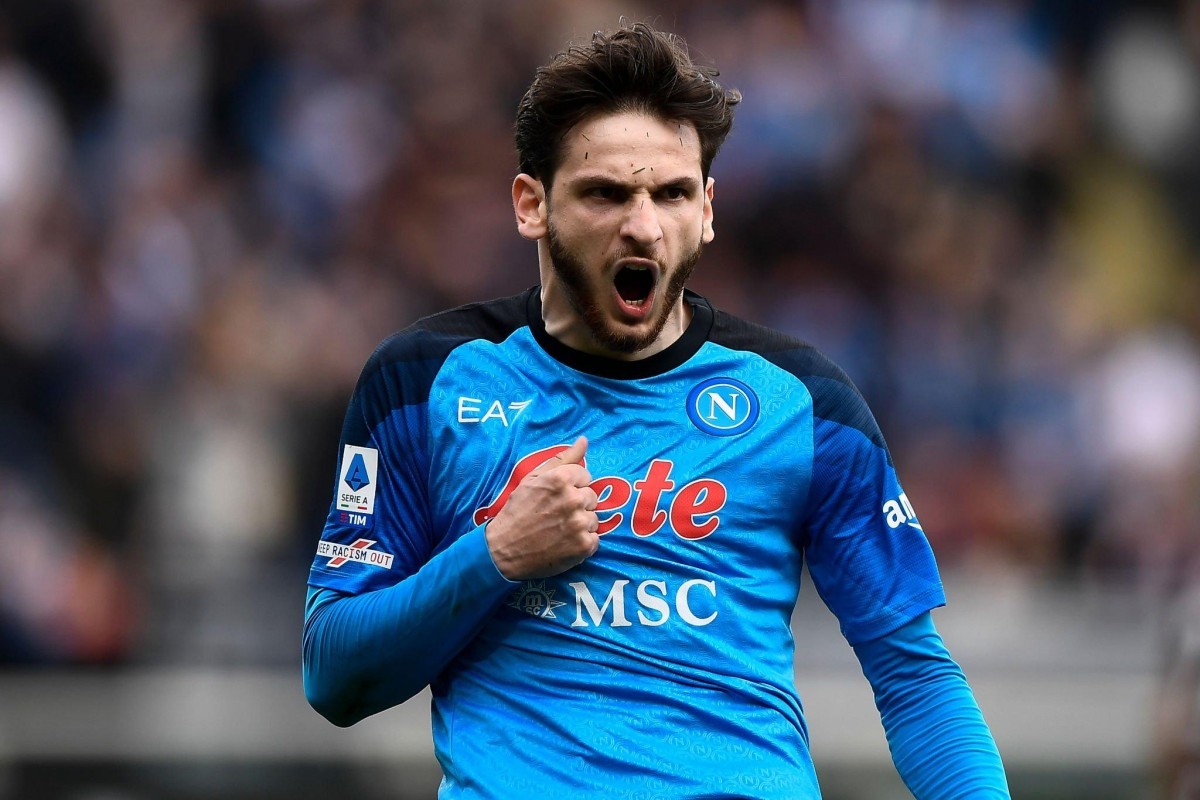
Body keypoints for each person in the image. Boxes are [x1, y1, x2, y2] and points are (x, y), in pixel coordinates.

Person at [303, 21, 1010, 799]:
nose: (642, 226)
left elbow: (914, 675)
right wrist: (494, 554)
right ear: (532, 205)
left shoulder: (802, 401)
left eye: (671, 194)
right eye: (605, 194)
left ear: (706, 210)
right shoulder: (423, 381)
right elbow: (333, 675)